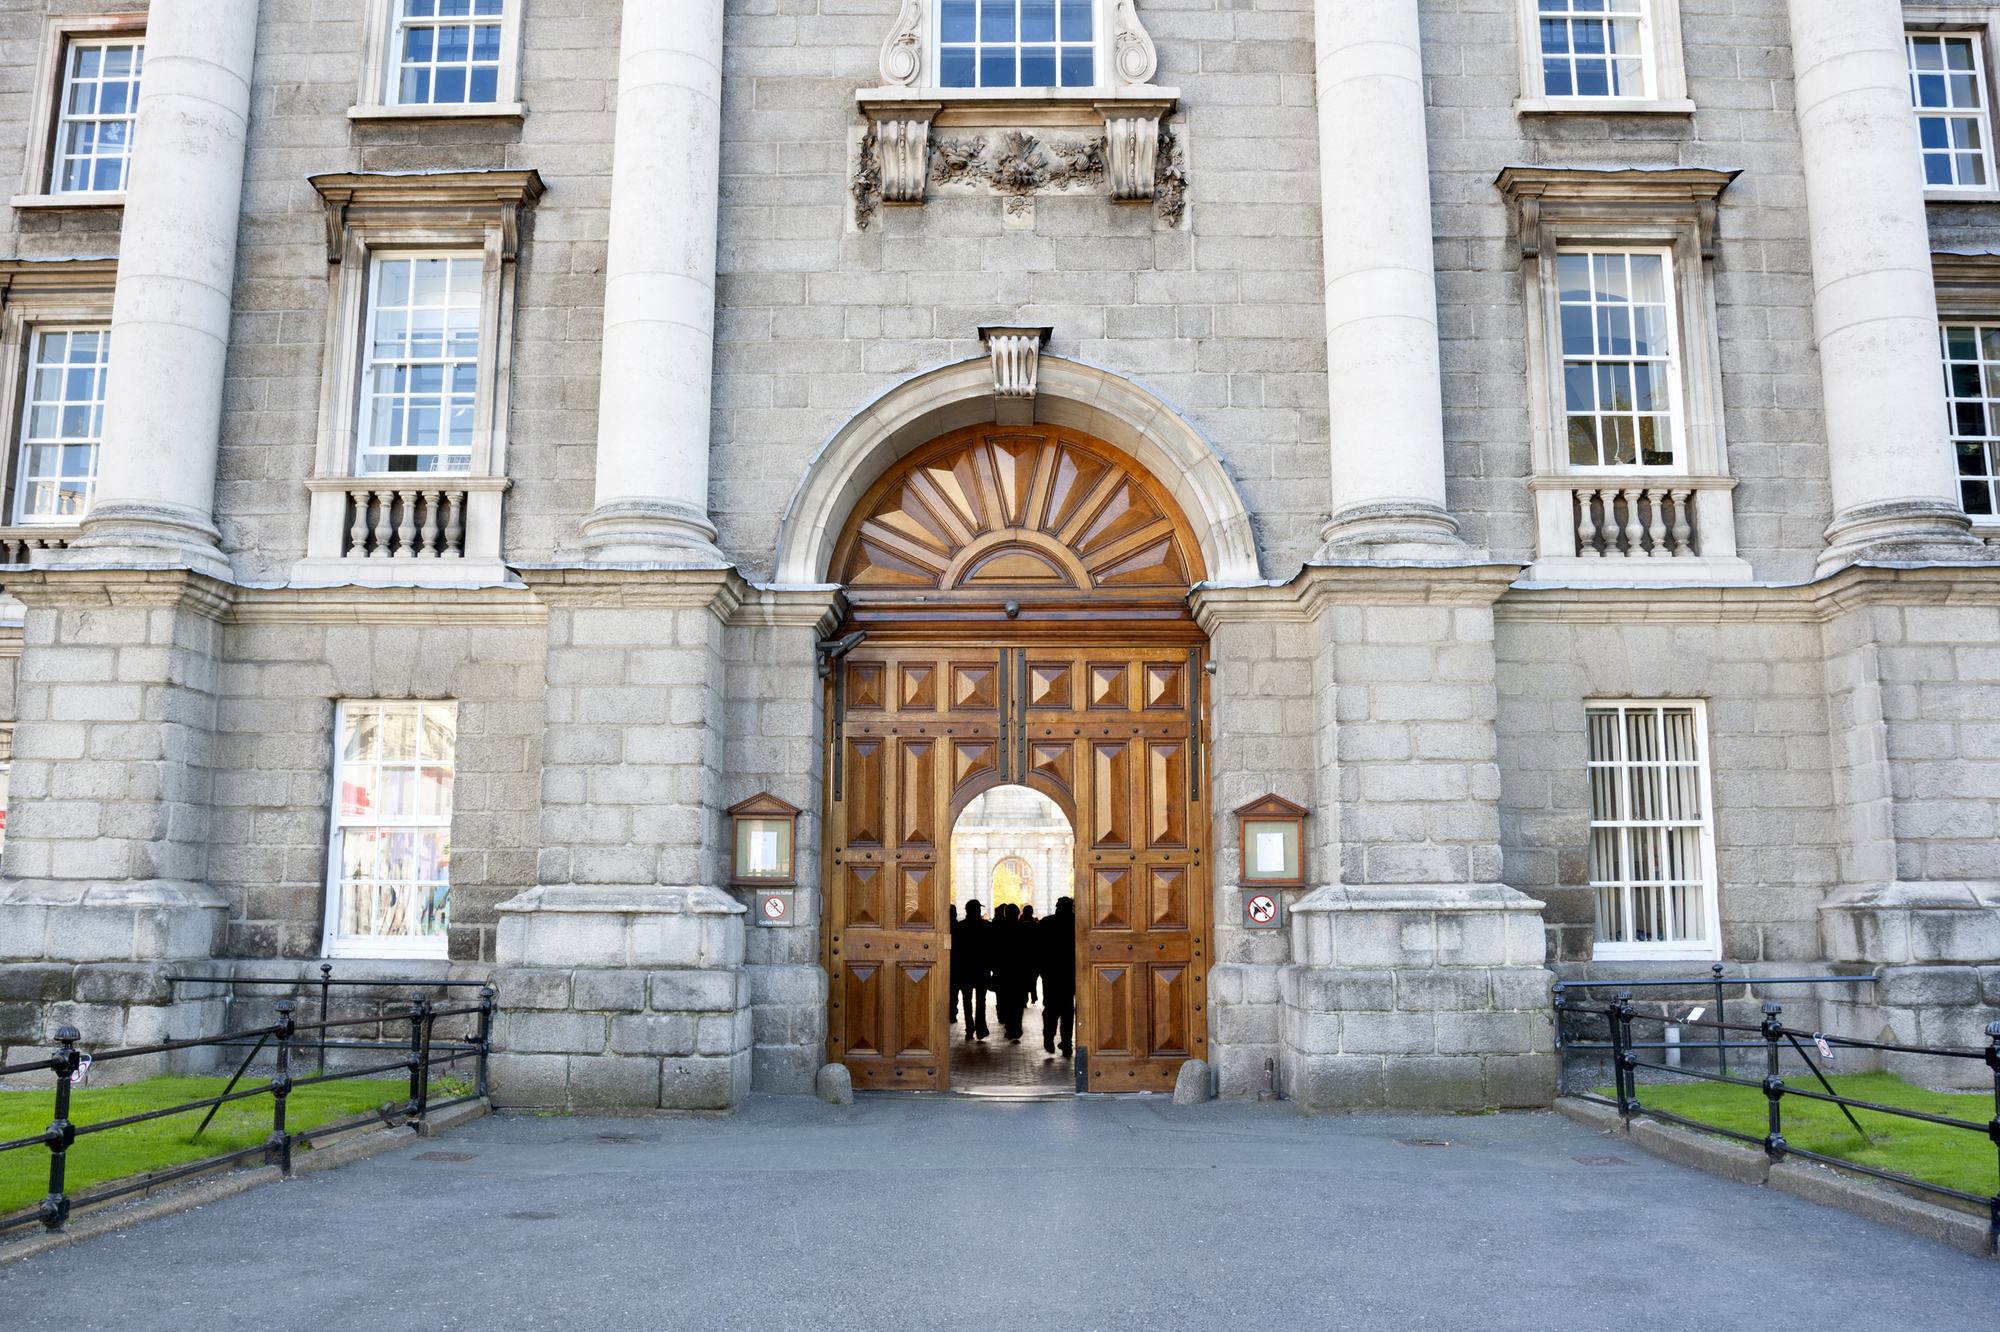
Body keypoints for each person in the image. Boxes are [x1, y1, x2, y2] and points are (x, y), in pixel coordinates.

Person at [1038, 896, 1076, 1056]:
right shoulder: (1077, 923)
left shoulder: (1046, 923)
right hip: (1069, 972)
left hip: (1050, 973)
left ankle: (1048, 1037)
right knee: (1067, 1009)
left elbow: (1037, 948)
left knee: (1051, 1008)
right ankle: (1066, 1043)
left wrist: (1040, 970)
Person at [993, 903, 1029, 1042]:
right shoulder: (1023, 929)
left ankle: (1009, 1027)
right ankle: (1017, 1027)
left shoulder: (1000, 930)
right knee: (1018, 1002)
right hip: (1019, 972)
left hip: (1003, 971)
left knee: (1006, 999)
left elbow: (995, 951)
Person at [954, 900, 990, 1039]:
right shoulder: (986, 926)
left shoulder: (960, 927)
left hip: (965, 969)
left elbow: (956, 950)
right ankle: (981, 1027)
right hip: (981, 968)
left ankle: (969, 1027)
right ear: (978, 911)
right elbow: (990, 949)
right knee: (981, 999)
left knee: (966, 999)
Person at [947, 902, 960, 1024]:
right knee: (954, 991)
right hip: (958, 964)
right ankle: (953, 1012)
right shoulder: (959, 927)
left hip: (946, 964)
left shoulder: (942, 928)